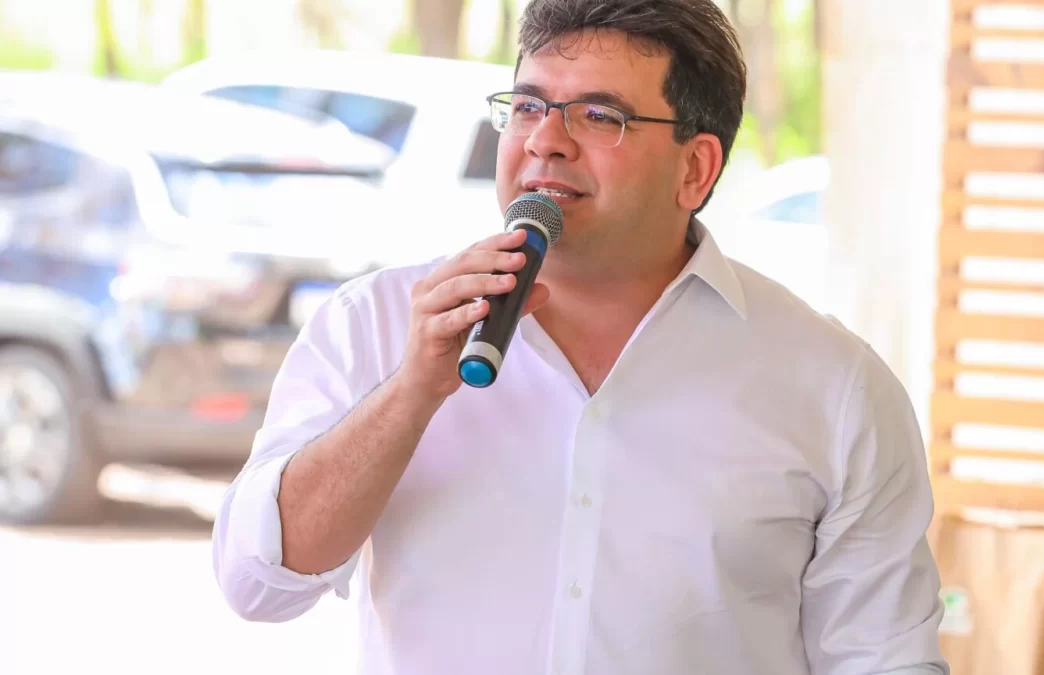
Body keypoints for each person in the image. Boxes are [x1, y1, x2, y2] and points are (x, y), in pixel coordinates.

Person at [211, 0, 948, 673]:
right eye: (529, 105)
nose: (545, 141)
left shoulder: (834, 387)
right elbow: (257, 584)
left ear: (695, 169)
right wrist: (409, 394)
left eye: (600, 115)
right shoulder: (373, 322)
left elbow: (884, 659)